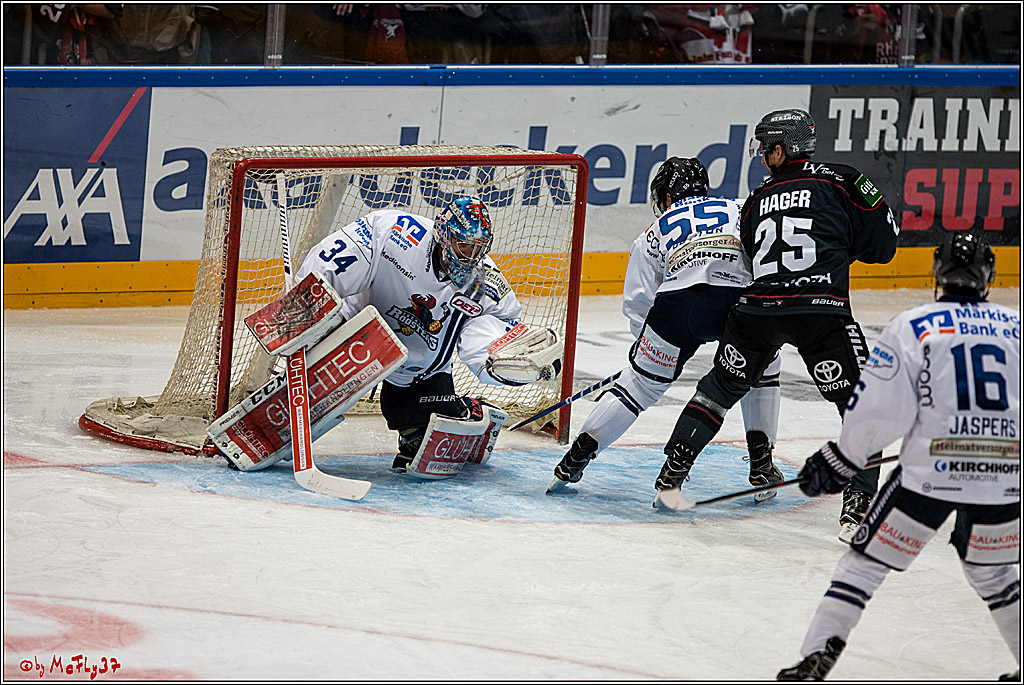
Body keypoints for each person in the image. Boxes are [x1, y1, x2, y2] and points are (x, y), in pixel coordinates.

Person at [777, 232, 1020, 681]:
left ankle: (815, 659)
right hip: (1003, 476)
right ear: (988, 274)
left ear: (937, 272)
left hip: (929, 476)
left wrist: (841, 460)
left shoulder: (913, 326)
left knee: (864, 565)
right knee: (994, 574)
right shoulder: (1017, 328)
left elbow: (877, 412)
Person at [652, 109, 900, 537]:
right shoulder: (844, 179)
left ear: (781, 150)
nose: (762, 156)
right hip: (821, 311)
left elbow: (752, 251)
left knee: (718, 389)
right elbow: (884, 246)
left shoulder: (755, 199)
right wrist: (838, 249)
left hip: (758, 311)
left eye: (765, 148)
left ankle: (670, 475)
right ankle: (857, 507)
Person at [548, 157, 784, 500]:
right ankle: (762, 463)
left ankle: (574, 460)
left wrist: (648, 354)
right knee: (764, 367)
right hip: (737, 300)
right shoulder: (738, 207)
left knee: (638, 386)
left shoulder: (653, 232)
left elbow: (638, 303)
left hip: (678, 306)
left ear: (668, 196)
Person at [295, 195, 557, 472]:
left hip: (420, 368)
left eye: (478, 248)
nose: (470, 256)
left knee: (424, 449)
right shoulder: (395, 232)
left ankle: (468, 412)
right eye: (463, 245)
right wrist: (306, 301)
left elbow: (503, 326)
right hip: (356, 335)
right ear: (443, 235)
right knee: (311, 400)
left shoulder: (483, 283)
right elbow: (336, 259)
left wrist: (511, 365)